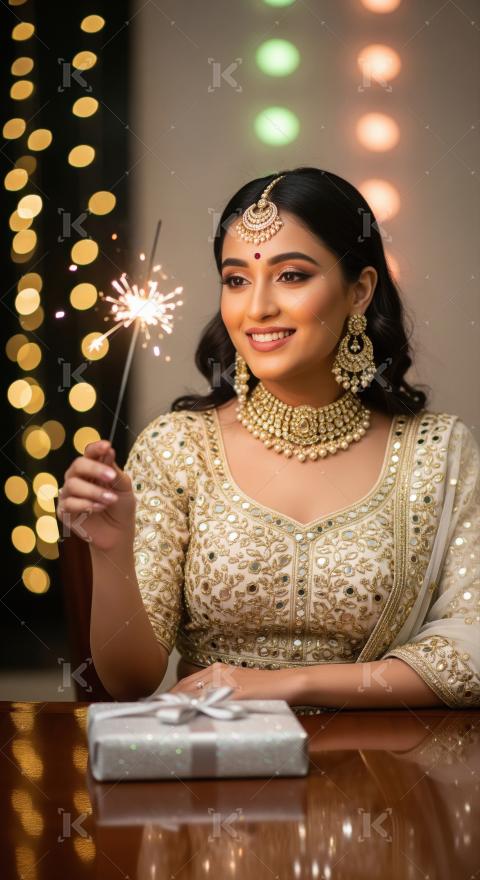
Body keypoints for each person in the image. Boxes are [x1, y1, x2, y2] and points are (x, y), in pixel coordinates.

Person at [56, 167, 480, 711]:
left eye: (292, 275)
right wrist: (112, 552)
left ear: (359, 290)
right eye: (236, 280)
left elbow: (470, 650)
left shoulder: (438, 451)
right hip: (217, 773)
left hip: (380, 775)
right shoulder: (177, 448)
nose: (257, 308)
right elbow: (130, 681)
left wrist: (289, 685)